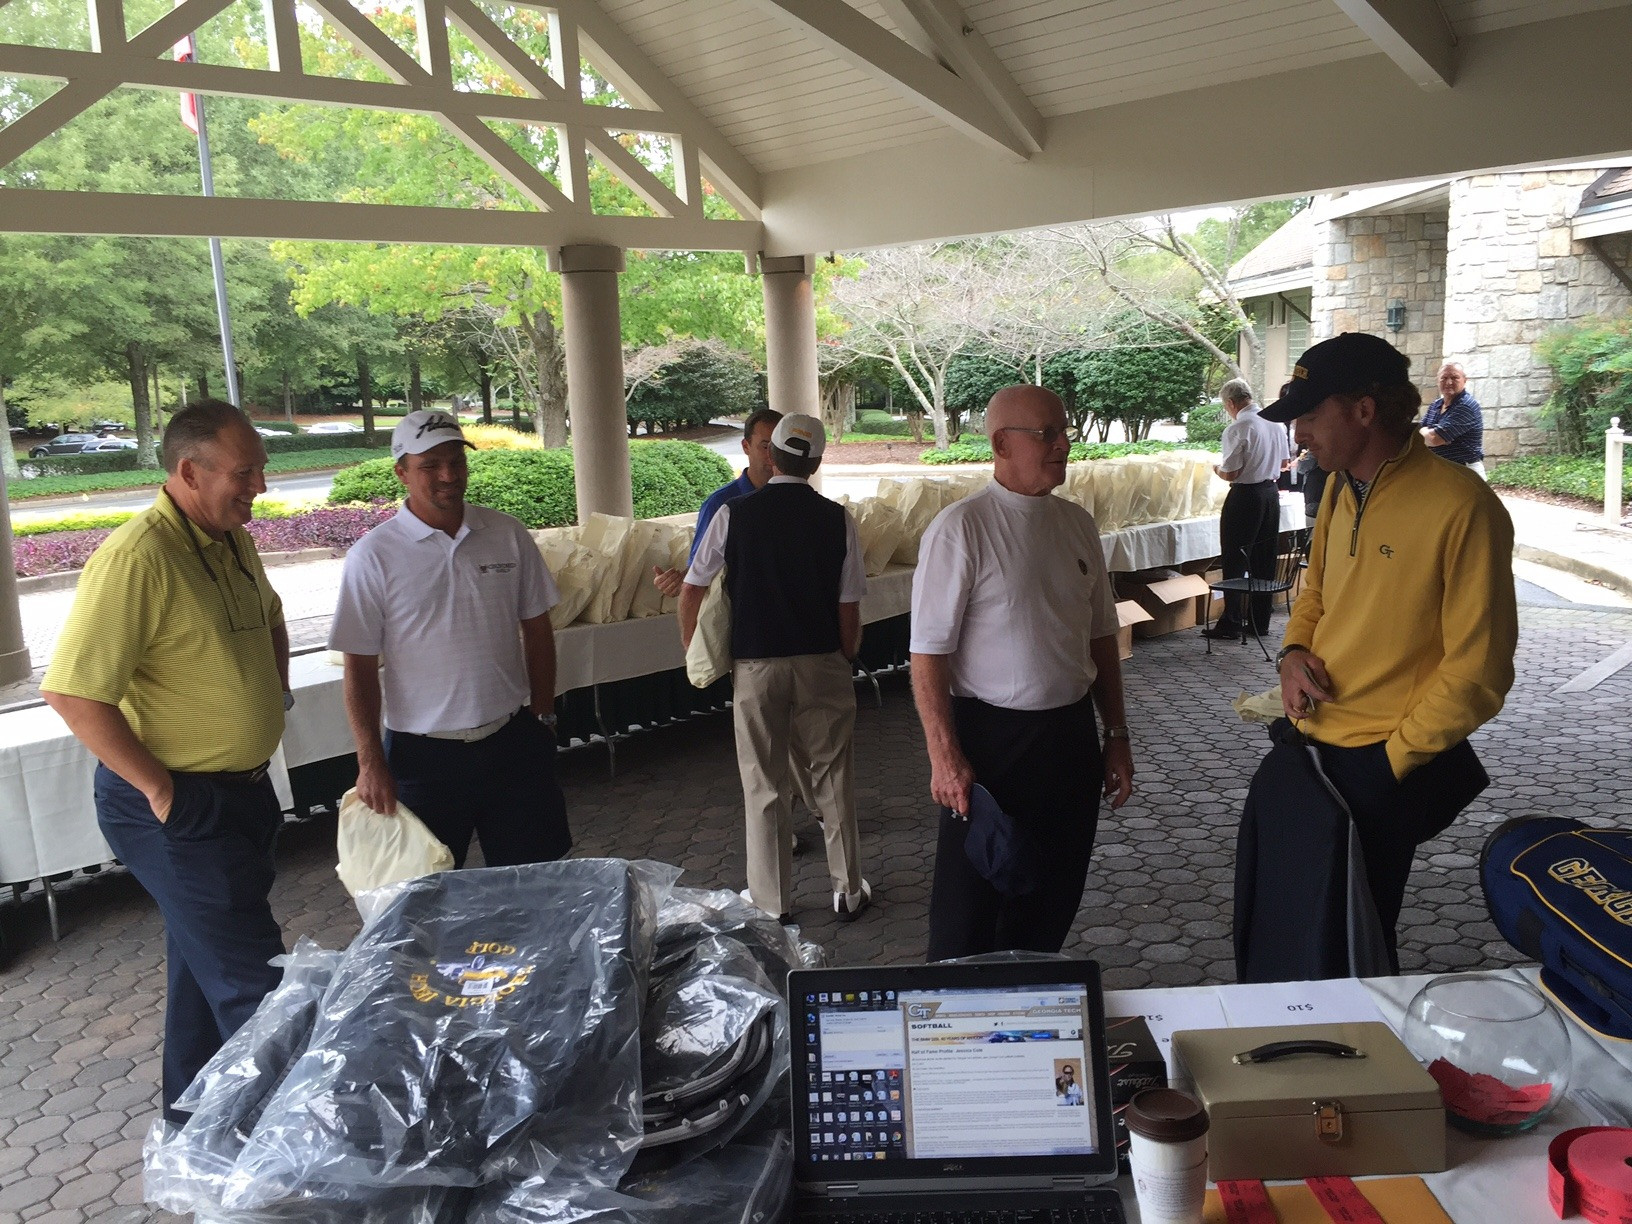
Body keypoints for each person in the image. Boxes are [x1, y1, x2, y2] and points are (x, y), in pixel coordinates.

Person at [1236, 333, 1517, 980]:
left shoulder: (1464, 507)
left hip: (1382, 766)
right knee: (1286, 935)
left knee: (1350, 950)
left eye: (1310, 416)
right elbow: (1318, 594)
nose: (1299, 434)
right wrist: (1293, 652)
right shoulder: (1338, 490)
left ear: (1364, 410)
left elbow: (1481, 673)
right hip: (1309, 749)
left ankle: (1354, 1068)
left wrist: (1392, 764)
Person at [40, 401, 290, 1124]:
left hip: (242, 793)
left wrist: (268, 698)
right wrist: (159, 789)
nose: (262, 487)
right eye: (246, 473)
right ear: (189, 471)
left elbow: (271, 616)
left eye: (262, 470)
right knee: (259, 987)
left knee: (202, 973)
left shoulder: (229, 537)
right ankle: (303, 1163)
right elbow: (73, 693)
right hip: (177, 806)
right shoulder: (136, 557)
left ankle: (192, 1126)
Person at [910, 385, 1134, 962]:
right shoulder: (962, 529)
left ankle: (1034, 1013)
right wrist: (944, 756)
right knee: (970, 913)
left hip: (1068, 737)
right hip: (991, 745)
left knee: (1052, 898)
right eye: (1047, 434)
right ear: (1001, 444)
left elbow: (1102, 638)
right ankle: (956, 1033)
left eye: (1064, 431)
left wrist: (1117, 735)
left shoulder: (1077, 524)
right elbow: (928, 654)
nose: (1063, 444)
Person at [329, 409, 570, 869]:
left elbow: (537, 628)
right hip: (423, 756)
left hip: (512, 740)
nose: (447, 476)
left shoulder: (507, 534)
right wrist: (370, 761)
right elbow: (359, 666)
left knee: (538, 880)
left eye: (456, 462)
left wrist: (543, 714)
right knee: (425, 896)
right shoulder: (373, 556)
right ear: (401, 472)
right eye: (430, 465)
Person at [679, 413, 871, 922]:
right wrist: (845, 655)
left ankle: (772, 902)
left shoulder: (733, 515)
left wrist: (696, 650)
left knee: (763, 782)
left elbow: (695, 585)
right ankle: (848, 889)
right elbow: (848, 605)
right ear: (817, 461)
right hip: (822, 661)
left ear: (772, 455)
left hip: (757, 666)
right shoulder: (838, 519)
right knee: (833, 775)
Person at [652, 407, 781, 597]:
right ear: (746, 446)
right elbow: (699, 570)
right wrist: (678, 582)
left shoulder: (797, 501)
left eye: (779, 448)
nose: (772, 456)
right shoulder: (721, 504)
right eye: (765, 446)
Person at [1204, 377, 1292, 641]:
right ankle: (1259, 622)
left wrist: (1215, 469)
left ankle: (1231, 621)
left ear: (1231, 403)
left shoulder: (1239, 427)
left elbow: (1232, 473)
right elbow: (1286, 461)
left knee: (1235, 558)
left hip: (1246, 496)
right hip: (1270, 494)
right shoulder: (1274, 422)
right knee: (1264, 559)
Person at [1421, 361, 1486, 477]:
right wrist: (1429, 433)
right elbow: (1420, 434)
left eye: (1454, 378)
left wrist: (1433, 435)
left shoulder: (1466, 406)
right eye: (1444, 378)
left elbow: (1434, 439)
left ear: (1465, 380)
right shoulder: (1436, 405)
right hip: (1440, 470)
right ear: (1438, 381)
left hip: (1463, 472)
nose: (1449, 382)